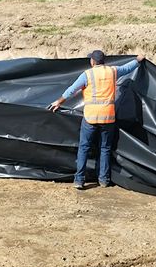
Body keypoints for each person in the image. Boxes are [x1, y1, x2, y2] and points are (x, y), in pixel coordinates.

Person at [48, 50, 145, 189]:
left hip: (91, 118)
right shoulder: (113, 71)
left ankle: (79, 180)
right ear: (103, 61)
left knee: (84, 148)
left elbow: (71, 90)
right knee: (105, 148)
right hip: (108, 118)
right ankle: (104, 179)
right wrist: (138, 60)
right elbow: (128, 68)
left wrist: (59, 102)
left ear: (92, 61)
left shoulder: (87, 74)